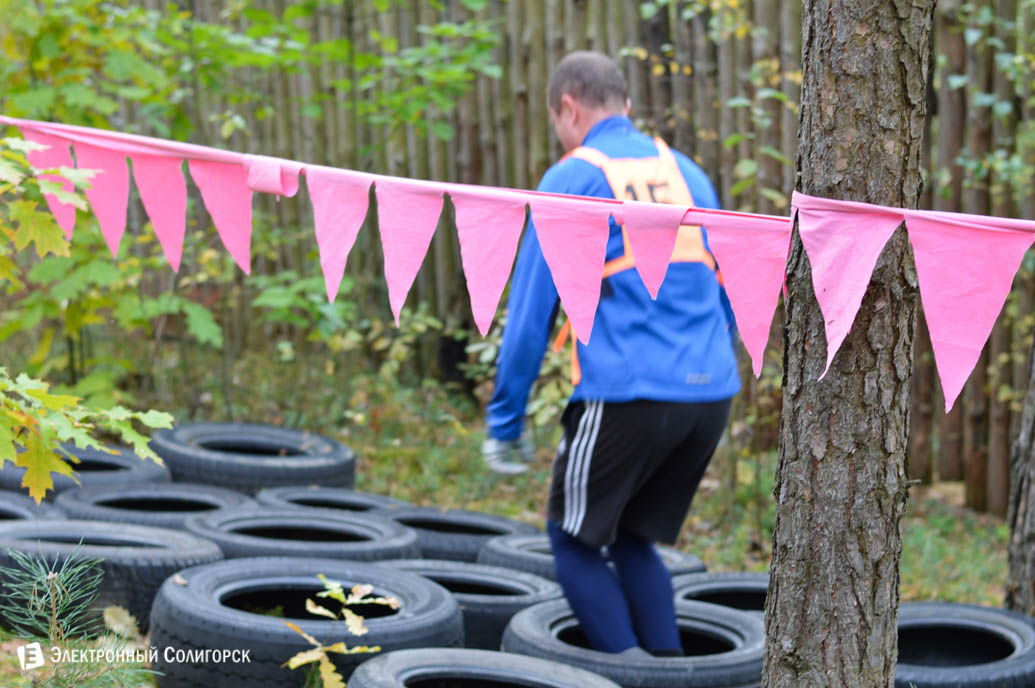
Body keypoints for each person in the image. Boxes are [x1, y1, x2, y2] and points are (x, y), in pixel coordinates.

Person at [481, 51, 741, 657]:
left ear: (567, 108)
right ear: (624, 104)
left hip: (628, 392)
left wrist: (505, 421)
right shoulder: (687, 172)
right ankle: (670, 673)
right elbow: (732, 291)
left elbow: (530, 312)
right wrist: (704, 361)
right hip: (709, 394)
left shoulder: (574, 176)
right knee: (631, 539)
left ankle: (628, 676)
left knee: (572, 540)